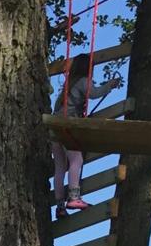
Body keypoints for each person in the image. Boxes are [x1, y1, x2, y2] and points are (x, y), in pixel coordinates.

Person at [51, 53, 122, 219]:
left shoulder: (67, 87)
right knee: (77, 160)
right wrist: (110, 84)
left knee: (60, 167)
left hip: (55, 126)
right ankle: (74, 197)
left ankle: (60, 205)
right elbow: (95, 93)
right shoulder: (83, 81)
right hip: (67, 124)